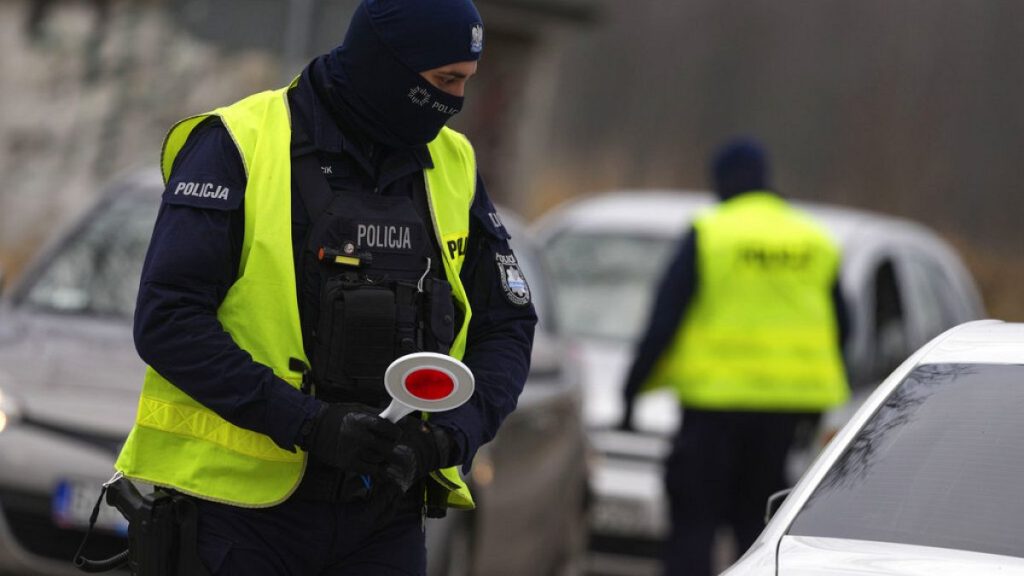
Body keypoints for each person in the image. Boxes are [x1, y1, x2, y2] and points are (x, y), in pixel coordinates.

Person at [113, 1, 537, 574]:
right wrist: (308, 423)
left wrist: (448, 439)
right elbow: (168, 319)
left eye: (465, 82)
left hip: (385, 518)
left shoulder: (452, 161)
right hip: (242, 519)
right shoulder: (238, 143)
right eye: (444, 82)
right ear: (387, 65)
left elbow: (507, 321)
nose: (455, 101)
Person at [620, 139, 849, 576]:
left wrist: (631, 393)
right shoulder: (813, 239)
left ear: (721, 182)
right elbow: (842, 326)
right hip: (785, 412)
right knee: (759, 523)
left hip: (714, 408)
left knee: (694, 520)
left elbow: (663, 320)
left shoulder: (711, 233)